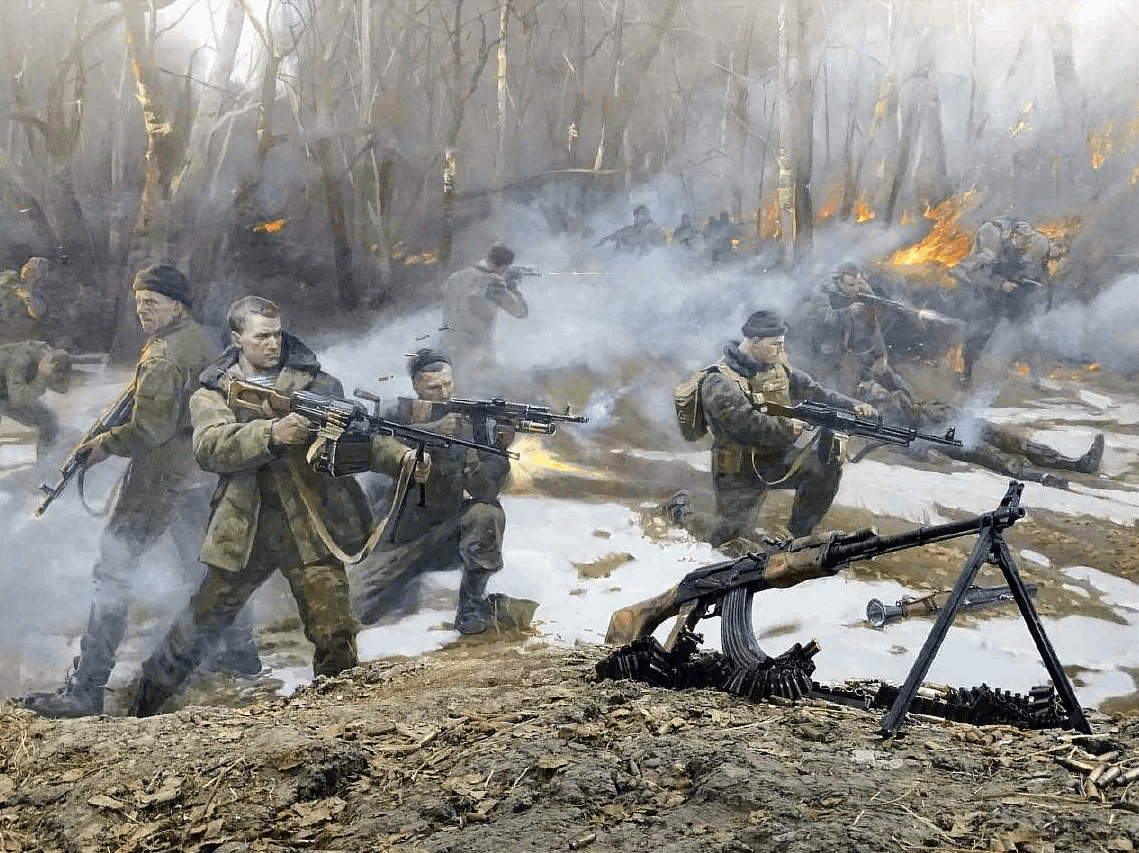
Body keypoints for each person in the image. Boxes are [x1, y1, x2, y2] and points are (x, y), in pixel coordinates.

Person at [127, 296, 425, 717]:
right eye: (261, 335)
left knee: (335, 630)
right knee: (202, 623)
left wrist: (402, 459)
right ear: (237, 337)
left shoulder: (319, 385)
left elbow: (360, 442)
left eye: (277, 334)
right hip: (245, 525)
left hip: (309, 523)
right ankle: (141, 707)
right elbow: (210, 447)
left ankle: (335, 721)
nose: (272, 343)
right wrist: (272, 434)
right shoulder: (214, 390)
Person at [24, 265, 260, 719]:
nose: (141, 311)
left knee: (112, 574)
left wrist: (104, 444)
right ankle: (240, 656)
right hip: (200, 472)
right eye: (138, 304)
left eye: (151, 303)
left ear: (177, 304)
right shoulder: (202, 340)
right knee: (205, 569)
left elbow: (150, 429)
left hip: (159, 482)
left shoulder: (164, 354)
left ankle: (86, 687)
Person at [665, 310, 876, 550]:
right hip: (738, 468)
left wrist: (853, 406)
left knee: (825, 466)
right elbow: (744, 424)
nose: (780, 350)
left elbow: (815, 392)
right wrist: (788, 428)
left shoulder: (778, 368)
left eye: (781, 345)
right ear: (754, 341)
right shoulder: (719, 380)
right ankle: (680, 511)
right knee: (729, 539)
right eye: (775, 345)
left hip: (778, 459)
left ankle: (800, 535)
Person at [350, 348, 515, 635]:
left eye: (448, 384)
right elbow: (375, 448)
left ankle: (472, 606)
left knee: (486, 513)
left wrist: (497, 449)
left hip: (444, 535)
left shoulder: (465, 423)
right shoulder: (395, 416)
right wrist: (433, 431)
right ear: (416, 386)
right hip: (397, 537)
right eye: (434, 387)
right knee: (354, 609)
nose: (444, 393)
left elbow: (484, 490)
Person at [953, 219, 1052, 383]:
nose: (1026, 242)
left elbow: (1033, 273)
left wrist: (1032, 285)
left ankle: (1036, 378)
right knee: (979, 334)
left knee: (1028, 334)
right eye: (1023, 238)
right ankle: (966, 373)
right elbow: (976, 273)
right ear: (1014, 235)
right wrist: (1000, 283)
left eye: (1029, 239)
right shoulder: (994, 245)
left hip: (1014, 298)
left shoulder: (1026, 251)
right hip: (992, 297)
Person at [438, 242, 528, 383]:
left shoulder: (456, 277)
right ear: (504, 266)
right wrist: (513, 286)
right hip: (475, 356)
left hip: (446, 349)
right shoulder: (493, 281)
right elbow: (520, 312)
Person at [0, 340, 71, 450]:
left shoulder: (49, 358)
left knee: (48, 420)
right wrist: (42, 377)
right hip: (7, 393)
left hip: (6, 391)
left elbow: (62, 388)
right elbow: (18, 399)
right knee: (47, 420)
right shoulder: (19, 361)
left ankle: (48, 461)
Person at [595, 205, 666, 255]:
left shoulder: (653, 228)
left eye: (639, 215)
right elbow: (618, 234)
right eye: (636, 216)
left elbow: (661, 249)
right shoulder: (632, 229)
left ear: (647, 216)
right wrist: (607, 239)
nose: (636, 219)